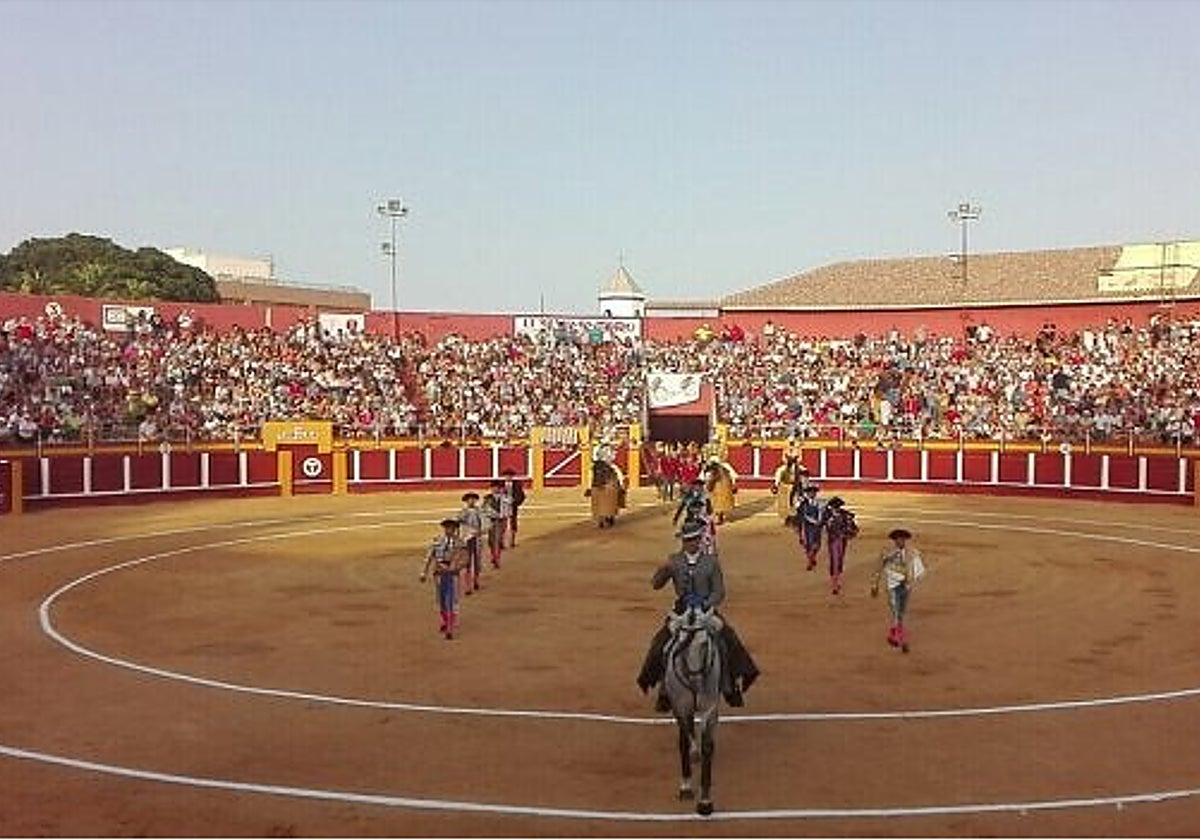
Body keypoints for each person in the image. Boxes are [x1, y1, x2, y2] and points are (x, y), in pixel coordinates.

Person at [636, 520, 760, 711]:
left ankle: (729, 685)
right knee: (660, 642)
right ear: (683, 541)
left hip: (705, 609)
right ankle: (662, 689)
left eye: (695, 539)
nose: (692, 543)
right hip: (681, 610)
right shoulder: (674, 560)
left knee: (728, 638)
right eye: (688, 540)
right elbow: (656, 585)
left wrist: (705, 604)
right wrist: (663, 571)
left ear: (700, 540)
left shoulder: (711, 562)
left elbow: (719, 592)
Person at [871, 528, 926, 653]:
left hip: (905, 586)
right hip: (892, 586)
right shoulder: (887, 553)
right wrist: (875, 585)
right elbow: (878, 568)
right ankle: (900, 640)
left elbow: (917, 568)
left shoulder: (911, 553)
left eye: (903, 539)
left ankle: (893, 634)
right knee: (896, 612)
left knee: (901, 612)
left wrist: (913, 576)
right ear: (895, 541)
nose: (901, 541)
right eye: (898, 539)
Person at [419, 518, 465, 640]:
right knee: (441, 600)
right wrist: (424, 572)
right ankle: (446, 620)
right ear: (444, 529)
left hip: (453, 574)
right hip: (439, 573)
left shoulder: (460, 543)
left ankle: (450, 627)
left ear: (455, 529)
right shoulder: (437, 541)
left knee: (452, 600)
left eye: (452, 528)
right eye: (447, 528)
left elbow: (465, 559)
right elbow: (429, 556)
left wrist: (456, 567)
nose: (449, 530)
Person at [823, 496, 859, 595]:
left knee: (839, 560)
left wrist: (848, 533)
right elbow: (823, 526)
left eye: (837, 506)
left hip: (841, 541)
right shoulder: (828, 515)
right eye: (835, 506)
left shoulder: (845, 515)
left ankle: (836, 581)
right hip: (833, 541)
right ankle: (835, 584)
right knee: (835, 561)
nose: (836, 508)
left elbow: (854, 529)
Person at [457, 491, 485, 593]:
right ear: (466, 501)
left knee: (477, 561)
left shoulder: (480, 511)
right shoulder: (463, 512)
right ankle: (468, 585)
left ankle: (476, 580)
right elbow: (458, 521)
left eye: (473, 499)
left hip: (477, 538)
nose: (471, 501)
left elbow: (486, 523)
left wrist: (482, 530)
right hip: (466, 538)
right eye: (469, 500)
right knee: (467, 562)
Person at [795, 484, 825, 571]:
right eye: (810, 492)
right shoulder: (803, 504)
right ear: (807, 494)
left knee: (817, 545)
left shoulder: (819, 503)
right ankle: (810, 561)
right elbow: (803, 515)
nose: (812, 494)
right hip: (807, 527)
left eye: (813, 492)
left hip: (817, 527)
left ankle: (813, 557)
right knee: (809, 545)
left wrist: (819, 521)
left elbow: (821, 513)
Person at [482, 480, 511, 568]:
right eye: (493, 487)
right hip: (491, 521)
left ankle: (497, 558)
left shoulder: (505, 498)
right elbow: (484, 509)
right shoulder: (487, 498)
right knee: (491, 541)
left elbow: (510, 506)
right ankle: (493, 555)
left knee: (497, 540)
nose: (494, 489)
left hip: (501, 521)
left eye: (496, 487)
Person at [500, 468, 526, 547]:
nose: (508, 477)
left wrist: (515, 502)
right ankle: (501, 542)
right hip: (503, 507)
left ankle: (512, 542)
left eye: (510, 476)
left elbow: (522, 496)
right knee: (502, 525)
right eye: (507, 476)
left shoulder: (517, 485)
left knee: (513, 524)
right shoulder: (500, 484)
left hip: (513, 506)